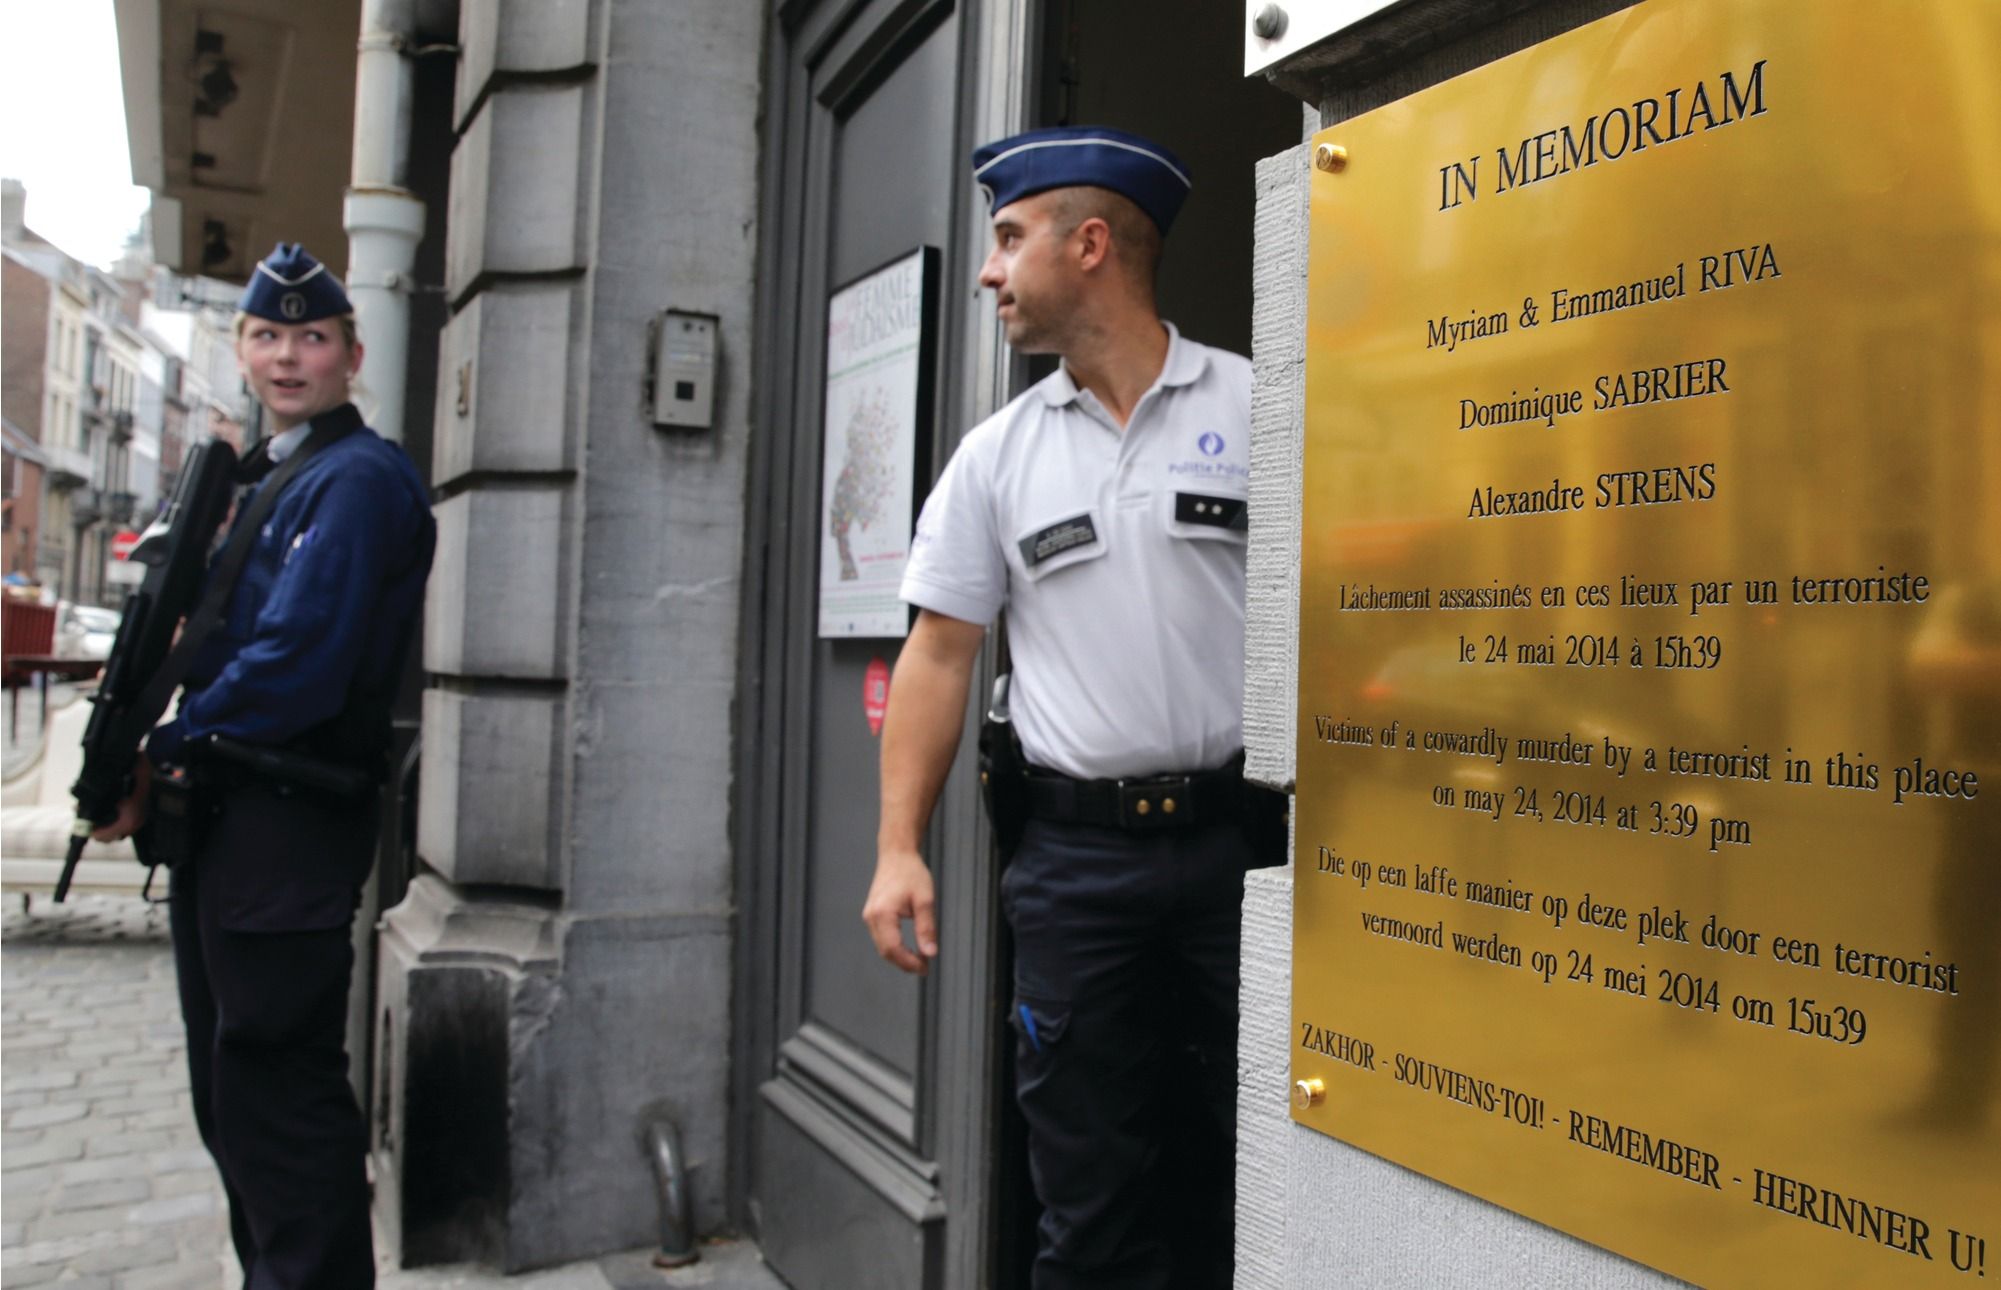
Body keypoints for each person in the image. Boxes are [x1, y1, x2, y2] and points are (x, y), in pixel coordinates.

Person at [862, 126, 1274, 1288]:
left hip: (1245, 854)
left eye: (1008, 238)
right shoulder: (996, 458)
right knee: (1088, 1203)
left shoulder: (1261, 406)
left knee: (1259, 1169)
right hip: (1076, 872)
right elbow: (939, 656)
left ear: (1089, 245)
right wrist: (898, 847)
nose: (989, 272)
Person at [94, 242, 435, 1289]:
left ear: (352, 356)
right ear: (242, 349)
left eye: (312, 337)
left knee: (275, 1091)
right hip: (236, 820)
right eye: (267, 336)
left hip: (284, 820)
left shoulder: (354, 479)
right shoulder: (279, 473)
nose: (288, 357)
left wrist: (166, 744)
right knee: (233, 1092)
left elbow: (297, 663)